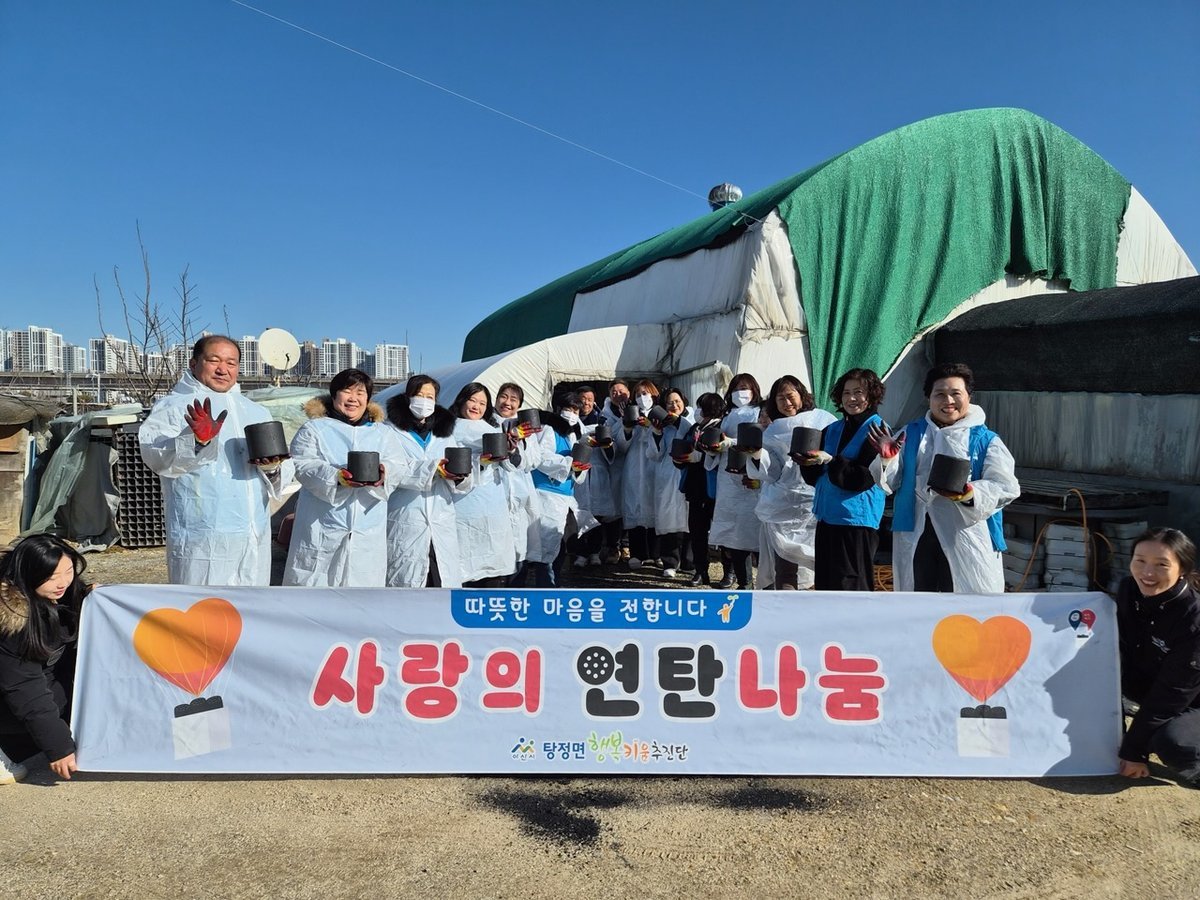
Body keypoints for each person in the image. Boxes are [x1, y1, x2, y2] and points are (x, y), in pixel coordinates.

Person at [139, 335, 294, 585]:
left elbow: (283, 471)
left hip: (253, 533)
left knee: (252, 603)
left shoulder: (255, 411)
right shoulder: (174, 407)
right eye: (214, 360)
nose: (223, 369)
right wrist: (195, 440)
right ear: (194, 363)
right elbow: (156, 457)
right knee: (205, 602)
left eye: (231, 363)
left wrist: (273, 467)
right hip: (203, 534)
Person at [870, 363, 1020, 593]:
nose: (948, 401)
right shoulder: (910, 433)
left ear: (969, 396)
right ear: (928, 398)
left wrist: (969, 494)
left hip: (965, 532)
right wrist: (887, 460)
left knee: (965, 600)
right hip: (917, 531)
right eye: (939, 394)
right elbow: (890, 482)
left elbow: (1005, 486)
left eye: (955, 393)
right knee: (918, 595)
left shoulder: (985, 439)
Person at [283, 369, 397, 587]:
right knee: (315, 592)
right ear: (334, 395)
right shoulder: (314, 429)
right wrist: (336, 477)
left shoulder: (383, 433)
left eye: (360, 393)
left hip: (367, 528)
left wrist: (384, 472)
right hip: (322, 525)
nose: (353, 399)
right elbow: (301, 464)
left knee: (362, 594)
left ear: (368, 399)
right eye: (347, 391)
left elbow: (398, 464)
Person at [0, 535, 89, 783]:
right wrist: (59, 747)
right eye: (51, 577)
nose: (63, 583)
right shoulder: (11, 620)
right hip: (11, 691)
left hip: (38, 682)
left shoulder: (65, 594)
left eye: (69, 571)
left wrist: (98, 599)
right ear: (28, 575)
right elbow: (24, 688)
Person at [1116, 528, 1200, 788]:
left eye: (1161, 565)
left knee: (1172, 742)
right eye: (1140, 561)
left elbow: (1171, 694)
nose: (1147, 573)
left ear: (1182, 569)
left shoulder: (1193, 619)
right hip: (1157, 689)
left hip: (1188, 696)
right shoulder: (1128, 590)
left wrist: (1133, 752)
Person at [799, 368, 888, 591]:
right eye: (846, 393)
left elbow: (863, 479)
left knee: (852, 584)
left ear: (871, 395)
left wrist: (830, 460)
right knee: (826, 584)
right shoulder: (832, 428)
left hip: (856, 520)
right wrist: (805, 461)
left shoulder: (879, 431)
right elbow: (814, 477)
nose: (851, 398)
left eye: (858, 392)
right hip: (827, 516)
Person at [383, 374, 468, 588]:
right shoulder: (388, 431)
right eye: (419, 395)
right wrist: (433, 469)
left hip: (441, 516)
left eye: (430, 397)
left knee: (441, 582)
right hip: (405, 515)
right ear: (408, 397)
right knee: (408, 584)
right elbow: (391, 469)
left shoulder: (444, 435)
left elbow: (461, 472)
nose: (424, 401)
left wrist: (459, 476)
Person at [756, 376, 837, 590]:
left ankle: (814, 604)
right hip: (782, 504)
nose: (787, 402)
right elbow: (772, 472)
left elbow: (836, 451)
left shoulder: (822, 419)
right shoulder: (773, 430)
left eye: (790, 396)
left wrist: (822, 458)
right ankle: (786, 604)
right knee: (785, 565)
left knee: (821, 562)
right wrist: (756, 455)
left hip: (814, 502)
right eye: (780, 398)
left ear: (801, 396)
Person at [450, 382, 519, 586]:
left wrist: (511, 449)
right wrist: (479, 462)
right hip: (461, 502)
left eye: (482, 403)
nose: (476, 406)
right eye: (472, 400)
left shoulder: (493, 430)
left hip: (492, 502)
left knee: (492, 560)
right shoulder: (448, 429)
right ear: (462, 401)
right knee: (462, 561)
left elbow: (512, 465)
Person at [705, 374, 766, 589]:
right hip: (727, 479)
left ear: (754, 390)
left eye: (745, 387)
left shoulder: (760, 412)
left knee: (751, 530)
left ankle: (758, 581)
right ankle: (738, 578)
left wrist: (732, 442)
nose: (741, 392)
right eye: (737, 388)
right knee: (730, 531)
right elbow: (718, 442)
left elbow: (761, 439)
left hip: (750, 476)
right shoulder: (726, 415)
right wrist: (712, 448)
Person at [528, 392, 592, 586]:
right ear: (558, 409)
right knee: (546, 543)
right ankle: (545, 585)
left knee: (556, 542)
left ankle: (551, 582)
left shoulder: (572, 434)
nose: (572, 414)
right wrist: (569, 464)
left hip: (565, 494)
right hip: (547, 493)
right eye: (569, 409)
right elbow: (541, 457)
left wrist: (578, 469)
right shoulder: (549, 429)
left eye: (576, 410)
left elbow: (576, 466)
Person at [494, 382, 543, 578]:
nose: (507, 403)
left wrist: (520, 441)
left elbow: (534, 461)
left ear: (519, 405)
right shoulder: (486, 425)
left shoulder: (526, 428)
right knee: (497, 548)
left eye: (513, 399)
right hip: (497, 491)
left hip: (521, 492)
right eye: (503, 397)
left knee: (519, 548)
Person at [646, 387, 693, 578]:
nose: (674, 405)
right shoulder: (661, 426)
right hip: (666, 476)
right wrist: (657, 432)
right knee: (668, 519)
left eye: (677, 401)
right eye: (669, 403)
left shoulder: (692, 420)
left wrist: (677, 421)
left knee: (689, 519)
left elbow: (690, 433)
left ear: (683, 401)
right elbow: (654, 454)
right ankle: (670, 561)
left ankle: (689, 561)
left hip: (687, 474)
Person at [678, 392, 724, 586]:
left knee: (722, 530)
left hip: (715, 487)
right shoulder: (695, 428)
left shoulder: (721, 427)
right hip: (695, 485)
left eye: (701, 407)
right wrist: (680, 459)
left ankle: (729, 571)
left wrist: (702, 455)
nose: (698, 411)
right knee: (697, 530)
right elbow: (684, 448)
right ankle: (700, 570)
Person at [618, 379, 661, 569]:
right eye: (638, 394)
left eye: (645, 393)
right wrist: (627, 428)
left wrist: (653, 426)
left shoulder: (660, 414)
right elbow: (621, 445)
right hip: (635, 465)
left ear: (654, 395)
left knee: (655, 506)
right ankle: (637, 553)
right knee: (635, 505)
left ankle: (656, 553)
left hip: (655, 465)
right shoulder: (630, 413)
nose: (642, 397)